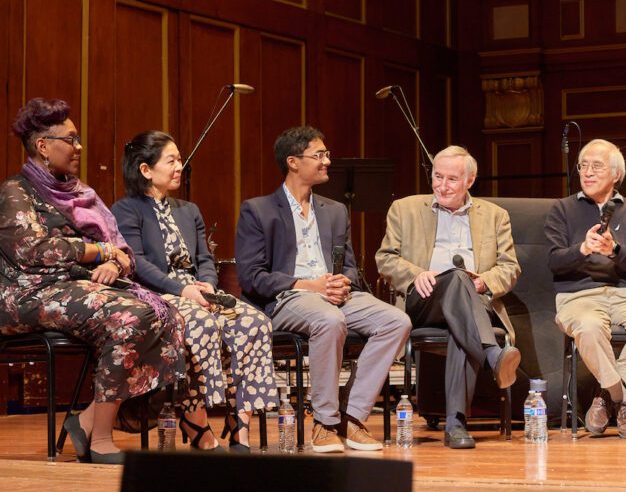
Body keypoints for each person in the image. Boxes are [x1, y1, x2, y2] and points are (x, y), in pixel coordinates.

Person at [0, 98, 185, 464]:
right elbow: (34, 250)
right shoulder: (14, 192)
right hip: (26, 293)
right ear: (43, 146)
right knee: (129, 316)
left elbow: (124, 252)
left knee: (170, 315)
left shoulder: (82, 193)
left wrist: (115, 264)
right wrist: (98, 252)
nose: (79, 147)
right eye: (71, 139)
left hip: (74, 286)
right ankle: (98, 439)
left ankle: (85, 422)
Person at [235, 126, 410, 453]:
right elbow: (252, 277)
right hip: (288, 297)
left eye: (326, 154)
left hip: (334, 296)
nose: (328, 161)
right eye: (319, 155)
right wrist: (308, 285)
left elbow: (348, 266)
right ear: (293, 162)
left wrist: (344, 283)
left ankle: (352, 416)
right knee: (329, 320)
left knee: (397, 321)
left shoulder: (335, 211)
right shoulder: (258, 210)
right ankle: (324, 422)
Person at [112, 131, 279, 453]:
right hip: (157, 294)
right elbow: (138, 263)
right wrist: (182, 289)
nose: (180, 166)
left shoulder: (189, 210)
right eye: (171, 160)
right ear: (146, 170)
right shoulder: (126, 210)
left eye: (179, 158)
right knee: (200, 323)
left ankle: (239, 422)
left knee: (254, 322)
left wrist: (208, 285)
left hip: (197, 291)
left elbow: (205, 258)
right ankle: (195, 419)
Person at [376, 145, 522, 449]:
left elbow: (509, 268)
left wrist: (482, 282)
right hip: (424, 299)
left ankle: (456, 425)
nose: (442, 186)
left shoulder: (495, 216)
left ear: (470, 181)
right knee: (456, 276)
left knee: (460, 322)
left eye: (451, 180)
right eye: (437, 176)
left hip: (474, 303)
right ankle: (493, 356)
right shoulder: (405, 209)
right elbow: (385, 258)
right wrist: (416, 273)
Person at [545, 139, 626, 439]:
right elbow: (553, 261)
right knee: (587, 328)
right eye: (583, 166)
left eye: (596, 166)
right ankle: (623, 401)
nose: (587, 172)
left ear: (616, 174)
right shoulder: (562, 209)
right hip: (579, 294)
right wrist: (582, 249)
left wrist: (615, 250)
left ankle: (605, 396)